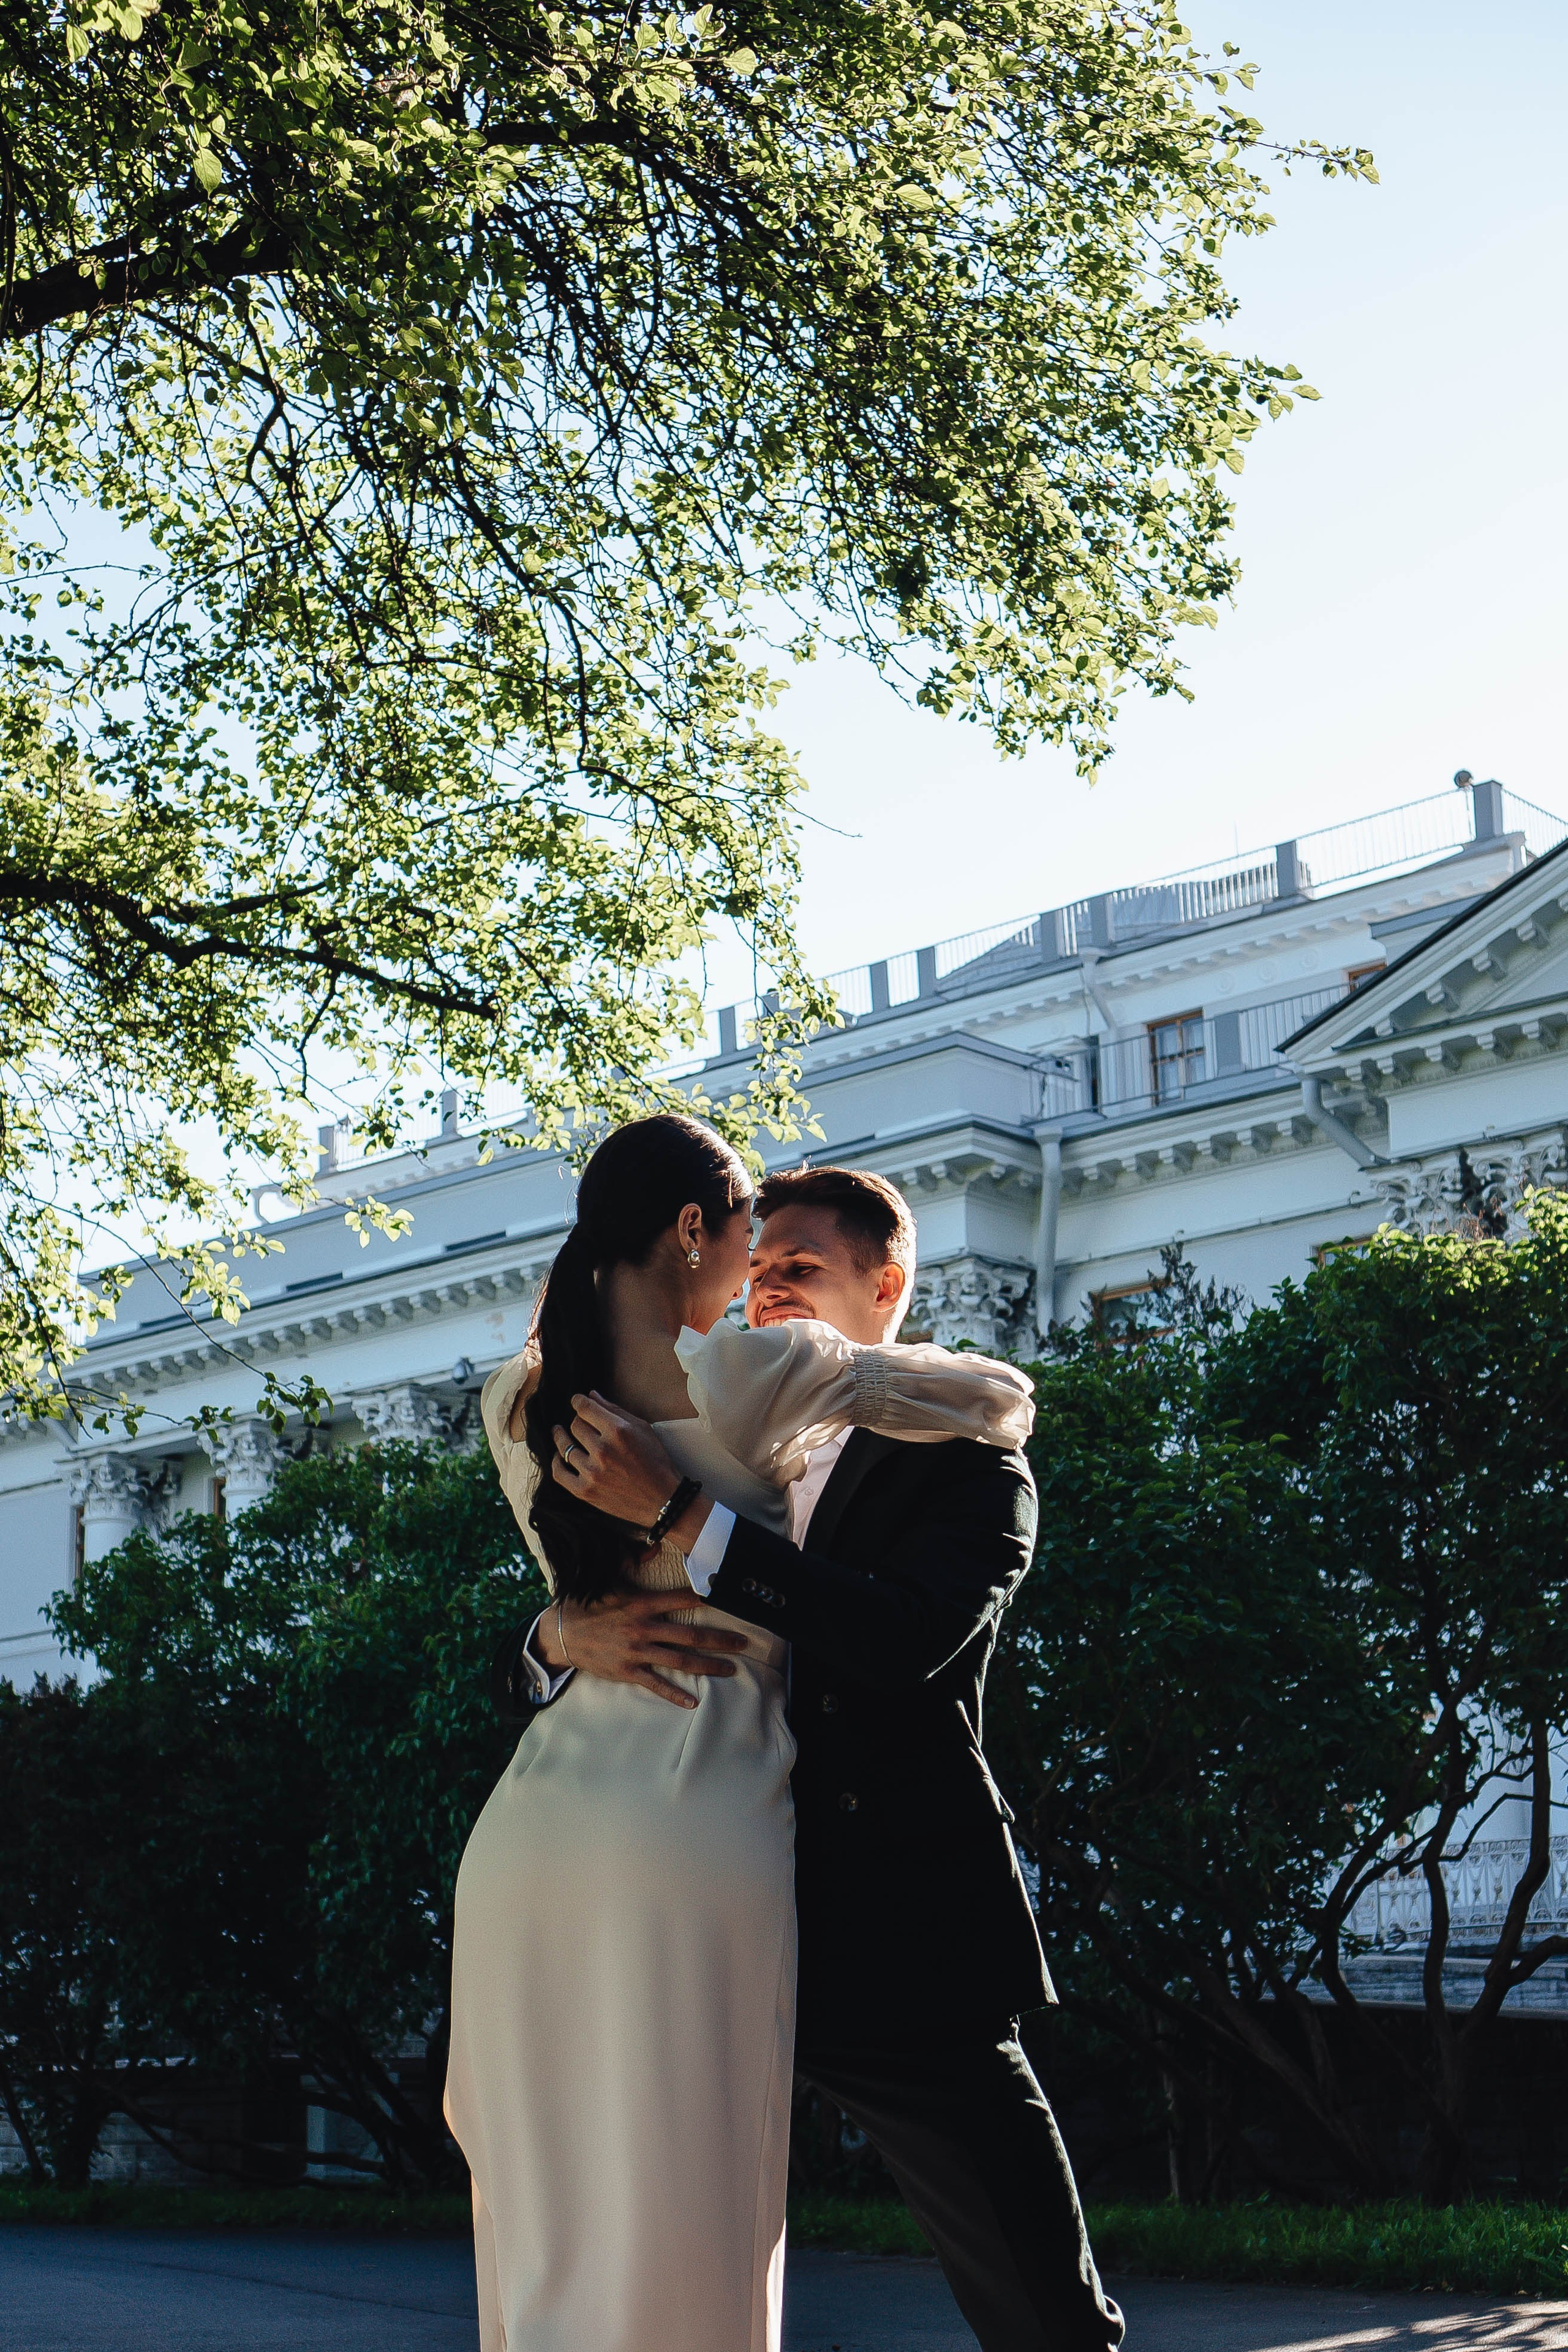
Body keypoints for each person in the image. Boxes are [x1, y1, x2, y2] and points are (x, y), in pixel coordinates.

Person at [444, 1117, 1036, 2352]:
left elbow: (900, 1640)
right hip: (685, 1838)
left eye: (797, 1271)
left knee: (575, 2212)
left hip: (870, 1918)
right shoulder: (743, 1387)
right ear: (696, 1236)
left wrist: (673, 1520)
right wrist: (552, 1640)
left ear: (884, 1287)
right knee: (643, 2208)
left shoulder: (530, 1394)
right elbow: (998, 1391)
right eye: (754, 1264)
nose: (764, 1290)